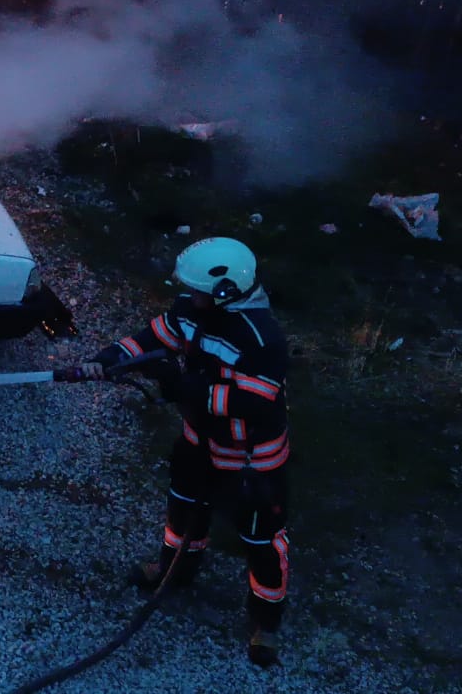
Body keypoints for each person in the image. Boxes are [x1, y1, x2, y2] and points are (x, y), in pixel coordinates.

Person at [69, 236, 291, 667]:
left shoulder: (261, 338)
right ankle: (175, 573)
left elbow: (253, 400)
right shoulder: (192, 310)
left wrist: (181, 386)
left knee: (262, 541)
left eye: (198, 291)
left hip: (252, 461)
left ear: (226, 293)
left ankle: (267, 621)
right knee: (183, 514)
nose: (190, 297)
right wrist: (108, 358)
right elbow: (152, 337)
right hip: (198, 442)